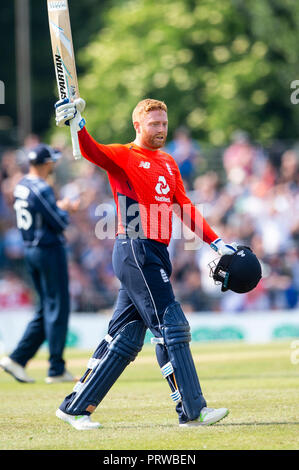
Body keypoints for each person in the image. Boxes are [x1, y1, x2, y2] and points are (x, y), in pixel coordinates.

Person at [53, 97, 237, 430]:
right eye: (154, 124)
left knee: (125, 338)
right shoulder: (124, 155)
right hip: (135, 247)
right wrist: (77, 123)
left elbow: (184, 206)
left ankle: (75, 408)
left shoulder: (168, 161)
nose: (161, 129)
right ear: (138, 125)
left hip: (155, 253)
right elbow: (91, 150)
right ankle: (193, 411)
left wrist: (215, 241)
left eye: (164, 123)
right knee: (172, 325)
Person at [0, 144, 79, 384]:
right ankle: (56, 368)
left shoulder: (22, 184)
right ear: (46, 164)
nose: (54, 165)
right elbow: (58, 221)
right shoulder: (41, 187)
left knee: (46, 308)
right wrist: (65, 208)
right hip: (48, 250)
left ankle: (17, 359)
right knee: (58, 307)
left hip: (31, 250)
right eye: (52, 161)